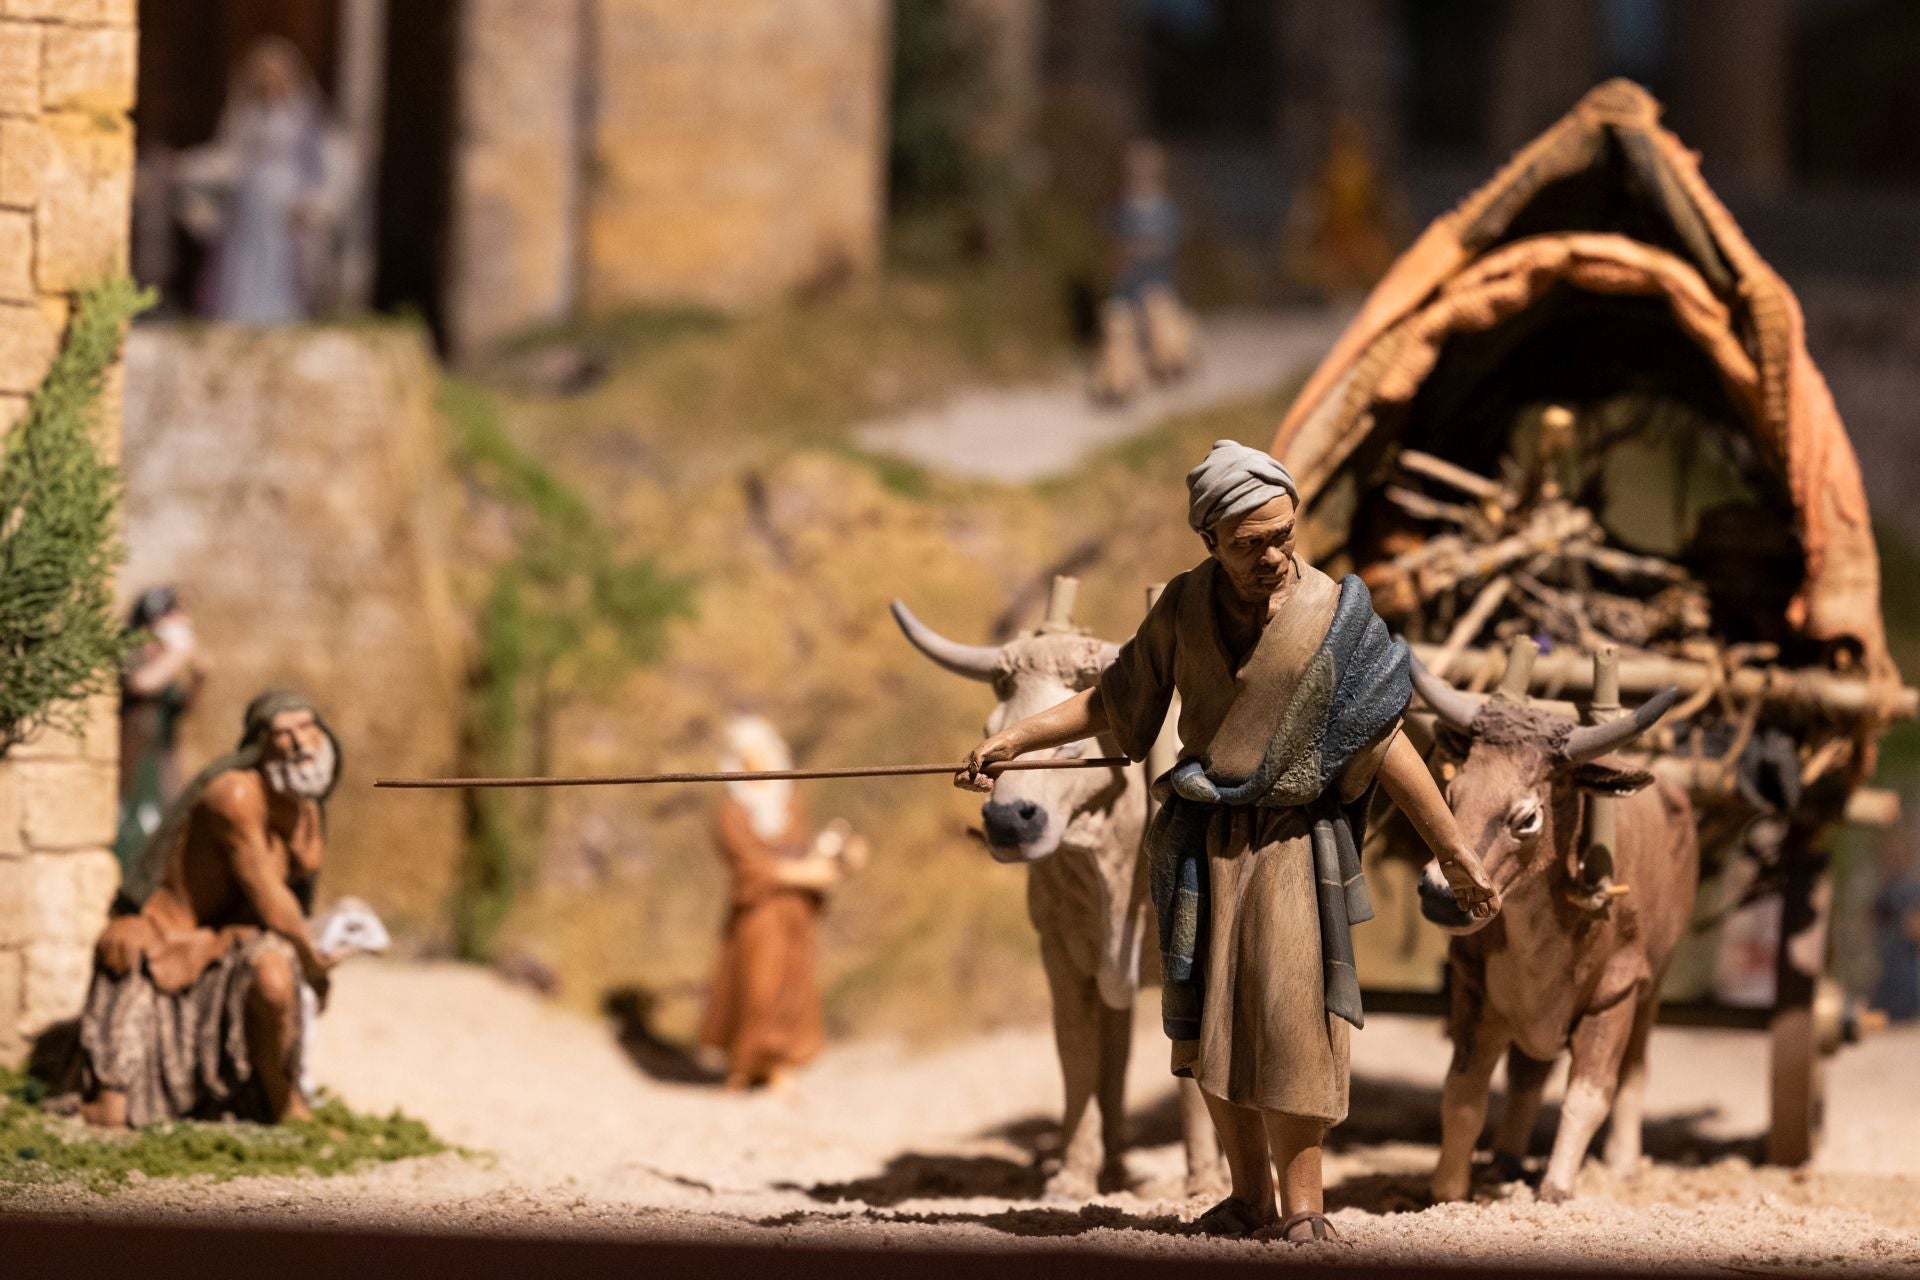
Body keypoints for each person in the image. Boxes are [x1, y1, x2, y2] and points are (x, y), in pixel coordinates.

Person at [957, 441, 1499, 1242]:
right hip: (1202, 844)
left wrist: (1455, 851)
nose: (1273, 556)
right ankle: (1250, 1198)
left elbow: (1386, 744)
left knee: (1292, 1027)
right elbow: (1113, 701)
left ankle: (1306, 1209)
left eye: (1283, 535)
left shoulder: (1339, 621)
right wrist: (1020, 740)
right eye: (1249, 544)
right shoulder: (1182, 608)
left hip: (1290, 844)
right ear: (1210, 540)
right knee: (1208, 1026)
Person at [75, 692, 342, 1127]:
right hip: (172, 934)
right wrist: (313, 963)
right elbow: (272, 902)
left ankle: (285, 1103)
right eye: (283, 734)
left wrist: (309, 952)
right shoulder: (235, 794)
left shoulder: (308, 807)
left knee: (274, 978)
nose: (299, 744)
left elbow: (294, 902)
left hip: (237, 937)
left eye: (307, 728)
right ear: (261, 745)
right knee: (112, 1113)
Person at [698, 716, 866, 1091]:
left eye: (763, 753)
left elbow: (800, 847)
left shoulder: (790, 803)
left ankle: (780, 1061)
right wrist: (801, 873)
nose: (759, 761)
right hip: (760, 910)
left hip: (794, 911)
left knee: (792, 983)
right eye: (750, 755)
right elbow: (748, 864)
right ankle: (745, 1060)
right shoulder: (733, 810)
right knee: (758, 984)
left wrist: (831, 855)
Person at [176, 37, 347, 324]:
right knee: (245, 263)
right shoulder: (247, 116)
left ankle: (282, 316)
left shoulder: (306, 117)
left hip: (287, 205)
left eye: (277, 73)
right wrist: (186, 166)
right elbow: (230, 158)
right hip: (250, 205)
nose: (271, 80)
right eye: (264, 74)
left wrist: (314, 201)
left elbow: (330, 162)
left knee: (283, 264)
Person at [114, 587, 209, 887]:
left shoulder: (168, 661)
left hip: (158, 764)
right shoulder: (130, 650)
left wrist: (199, 678)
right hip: (128, 768)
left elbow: (184, 706)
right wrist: (178, 654)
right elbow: (142, 684)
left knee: (163, 836)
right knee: (128, 838)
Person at [1093, 139, 1195, 402]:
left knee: (1161, 317)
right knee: (1116, 324)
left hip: (1157, 287)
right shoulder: (1118, 209)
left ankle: (1170, 364)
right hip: (1126, 289)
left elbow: (1169, 246)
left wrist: (1140, 249)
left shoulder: (1166, 210)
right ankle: (1118, 384)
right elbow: (1110, 250)